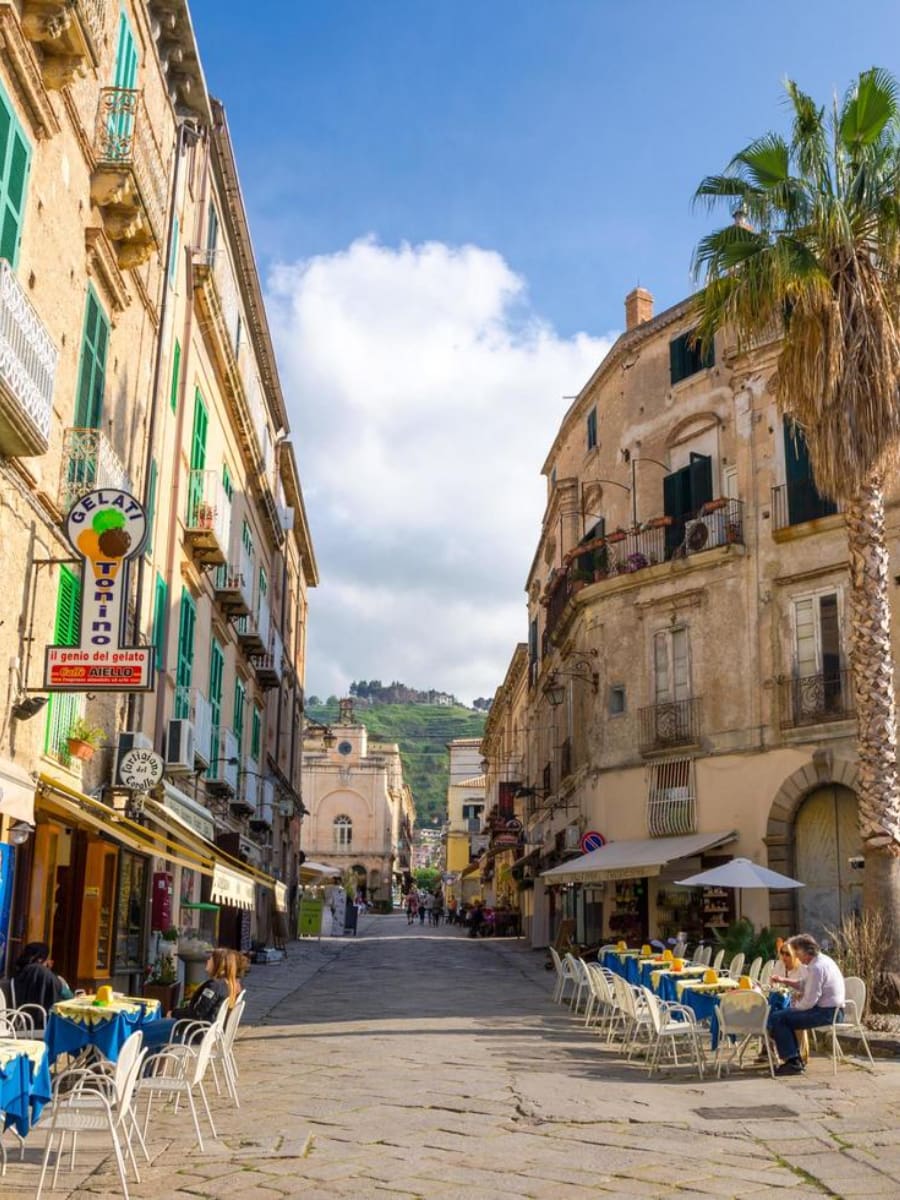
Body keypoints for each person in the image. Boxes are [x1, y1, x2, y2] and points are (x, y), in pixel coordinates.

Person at [768, 933, 845, 1075]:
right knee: (782, 1016)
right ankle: (794, 1058)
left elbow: (809, 1001)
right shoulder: (821, 961)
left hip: (828, 1013)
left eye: (797, 953)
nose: (796, 957)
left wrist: (793, 1009)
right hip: (832, 1010)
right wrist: (783, 980)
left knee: (778, 1018)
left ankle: (793, 1062)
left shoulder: (817, 968)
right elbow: (804, 984)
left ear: (804, 951)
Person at [141, 947, 239, 1051]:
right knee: (154, 1036)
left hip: (191, 1033)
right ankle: (152, 1067)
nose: (208, 960)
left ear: (218, 963)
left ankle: (139, 1066)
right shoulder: (226, 985)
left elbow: (197, 1013)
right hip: (200, 1032)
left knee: (142, 1034)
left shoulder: (214, 986)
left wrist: (174, 1013)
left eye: (211, 958)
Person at [12, 943, 72, 1014]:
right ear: (40, 959)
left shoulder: (18, 973)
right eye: (47, 958)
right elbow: (68, 996)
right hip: (45, 1020)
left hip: (21, 1019)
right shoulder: (46, 974)